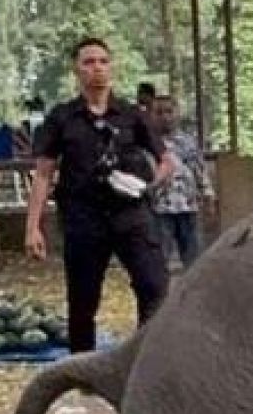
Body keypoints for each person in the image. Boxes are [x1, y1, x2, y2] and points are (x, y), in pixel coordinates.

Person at [24, 37, 175, 352]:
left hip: (132, 215)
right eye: (89, 62)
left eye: (103, 61)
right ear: (76, 70)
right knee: (82, 300)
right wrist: (33, 226)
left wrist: (148, 185)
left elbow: (166, 161)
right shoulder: (61, 117)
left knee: (155, 287)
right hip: (83, 218)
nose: (97, 69)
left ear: (112, 67)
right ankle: (81, 375)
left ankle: (146, 359)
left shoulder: (132, 115)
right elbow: (43, 173)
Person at [149, 93, 212, 267]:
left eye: (169, 111)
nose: (165, 117)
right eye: (159, 112)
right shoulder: (147, 142)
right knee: (159, 258)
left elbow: (199, 169)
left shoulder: (188, 141)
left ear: (177, 113)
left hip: (187, 205)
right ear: (151, 115)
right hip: (159, 208)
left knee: (193, 258)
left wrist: (208, 194)